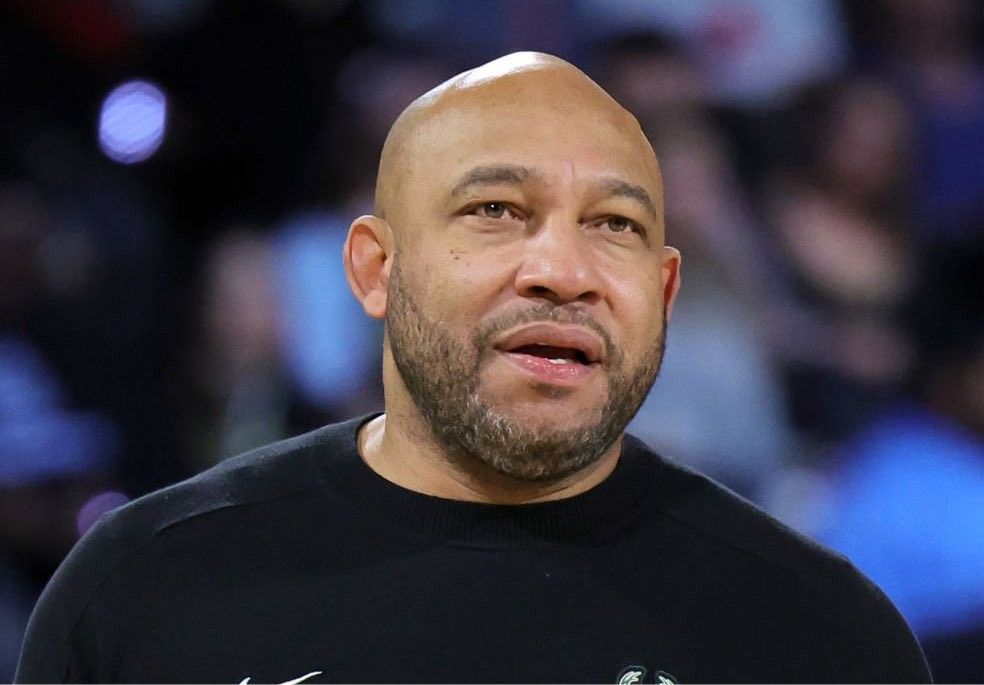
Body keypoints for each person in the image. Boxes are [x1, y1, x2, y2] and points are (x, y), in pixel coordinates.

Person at [16, 52, 930, 683]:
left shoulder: (820, 632)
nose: (563, 271)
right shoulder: (143, 589)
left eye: (614, 225)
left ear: (663, 290)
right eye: (495, 210)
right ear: (376, 268)